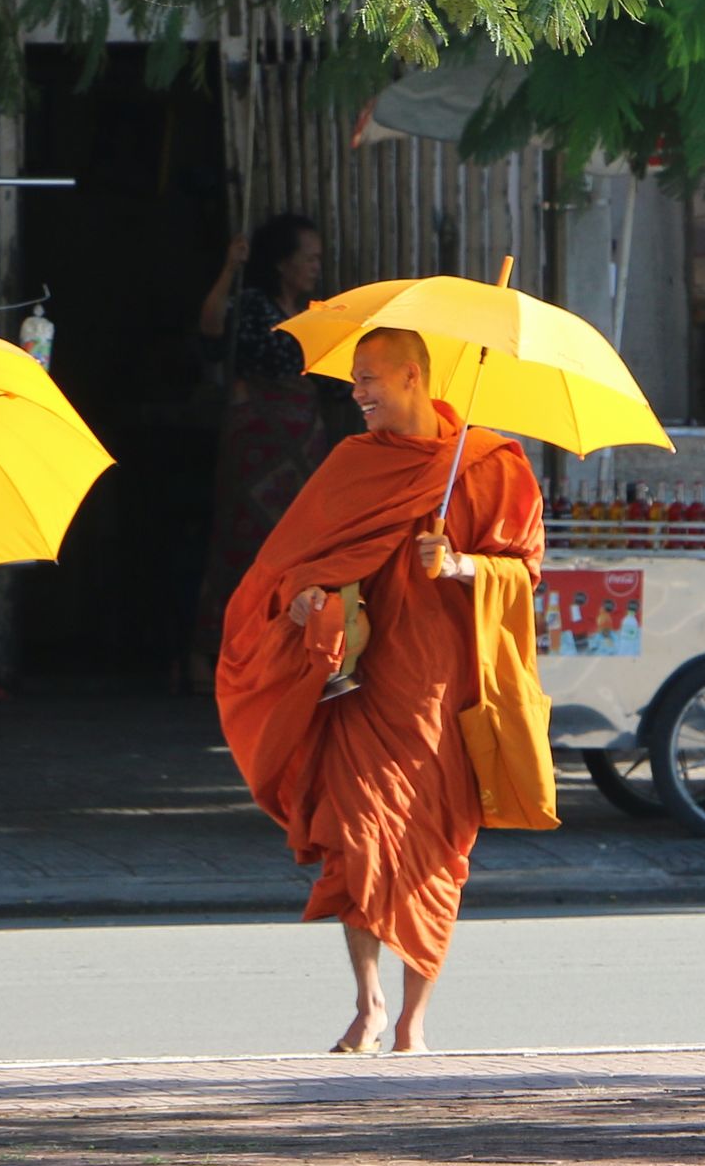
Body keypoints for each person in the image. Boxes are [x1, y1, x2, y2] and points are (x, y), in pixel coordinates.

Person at [215, 327, 554, 1055]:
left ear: (411, 376)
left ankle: (413, 1019)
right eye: (355, 381)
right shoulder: (351, 463)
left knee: (434, 849)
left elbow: (523, 572)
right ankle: (369, 1004)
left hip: (440, 691)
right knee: (358, 834)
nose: (357, 393)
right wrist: (305, 599)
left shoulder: (491, 465)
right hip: (363, 686)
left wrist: (463, 565)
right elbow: (291, 563)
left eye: (368, 379)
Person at [191, 214, 337, 682]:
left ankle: (285, 654)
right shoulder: (253, 305)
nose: (316, 265)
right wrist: (230, 269)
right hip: (259, 445)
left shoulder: (313, 311)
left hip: (304, 444)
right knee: (247, 543)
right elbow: (212, 330)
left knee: (300, 545)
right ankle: (221, 655)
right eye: (308, 257)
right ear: (282, 263)